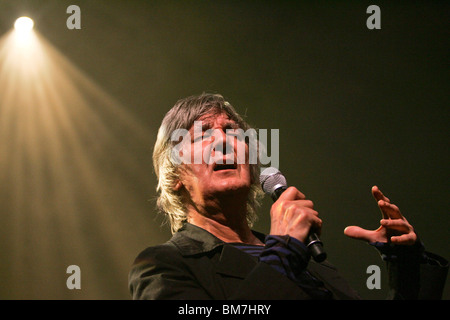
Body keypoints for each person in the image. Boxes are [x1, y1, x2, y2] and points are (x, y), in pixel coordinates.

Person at [128, 93, 448, 299]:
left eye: (232, 132)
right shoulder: (162, 266)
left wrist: (406, 267)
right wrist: (283, 251)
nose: (223, 141)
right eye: (202, 134)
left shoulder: (310, 260)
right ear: (174, 178)